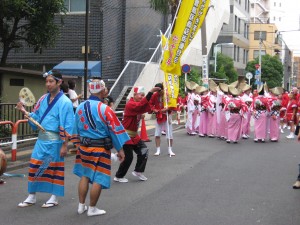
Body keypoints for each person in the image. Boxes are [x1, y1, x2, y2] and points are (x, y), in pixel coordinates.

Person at [16, 70, 74, 208]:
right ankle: (32, 195)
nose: (48, 84)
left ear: (59, 82)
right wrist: (24, 111)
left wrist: (65, 145)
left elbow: (67, 124)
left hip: (55, 141)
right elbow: (36, 117)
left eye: (51, 81)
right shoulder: (43, 99)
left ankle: (54, 197)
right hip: (41, 140)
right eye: (47, 81)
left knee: (52, 168)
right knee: (35, 165)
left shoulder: (65, 102)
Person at [72, 78, 129, 216]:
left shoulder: (80, 106)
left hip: (84, 147)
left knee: (85, 176)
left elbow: (75, 129)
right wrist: (120, 150)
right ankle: (92, 208)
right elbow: (114, 131)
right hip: (100, 148)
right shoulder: (105, 109)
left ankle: (81, 206)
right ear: (102, 91)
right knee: (99, 178)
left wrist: (77, 144)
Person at [114, 85, 161, 183]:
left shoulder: (138, 103)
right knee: (128, 157)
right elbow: (141, 106)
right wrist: (151, 91)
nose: (142, 97)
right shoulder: (130, 104)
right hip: (126, 135)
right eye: (140, 95)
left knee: (144, 150)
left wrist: (155, 95)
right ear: (134, 94)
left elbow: (147, 107)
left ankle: (138, 171)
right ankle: (118, 176)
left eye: (143, 95)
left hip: (134, 135)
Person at [150, 83, 175, 156]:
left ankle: (170, 149)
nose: (158, 92)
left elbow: (172, 104)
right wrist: (154, 109)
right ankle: (158, 150)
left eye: (159, 90)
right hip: (159, 116)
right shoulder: (154, 95)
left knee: (169, 134)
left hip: (167, 115)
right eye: (156, 91)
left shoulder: (168, 95)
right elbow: (150, 104)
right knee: (157, 134)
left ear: (162, 89)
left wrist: (168, 108)